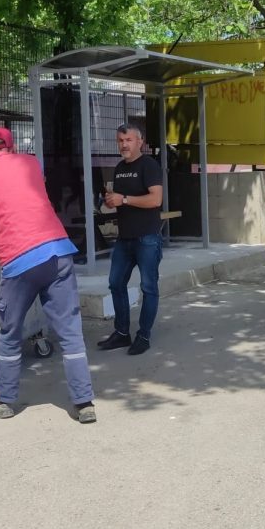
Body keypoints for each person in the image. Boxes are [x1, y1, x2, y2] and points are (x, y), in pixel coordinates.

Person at [0, 127, 96, 424]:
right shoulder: (32, 163)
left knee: (10, 334)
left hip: (19, 261)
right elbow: (25, 195)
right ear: (11, 148)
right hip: (57, 253)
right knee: (70, 332)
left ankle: (6, 401)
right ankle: (84, 402)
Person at [97, 124, 164, 356]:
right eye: (120, 140)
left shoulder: (149, 165)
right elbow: (121, 200)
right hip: (124, 239)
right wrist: (111, 202)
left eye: (128, 140)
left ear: (140, 142)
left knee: (149, 287)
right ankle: (122, 334)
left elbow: (155, 200)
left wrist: (123, 199)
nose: (124, 144)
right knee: (116, 284)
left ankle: (143, 336)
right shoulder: (118, 168)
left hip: (147, 238)